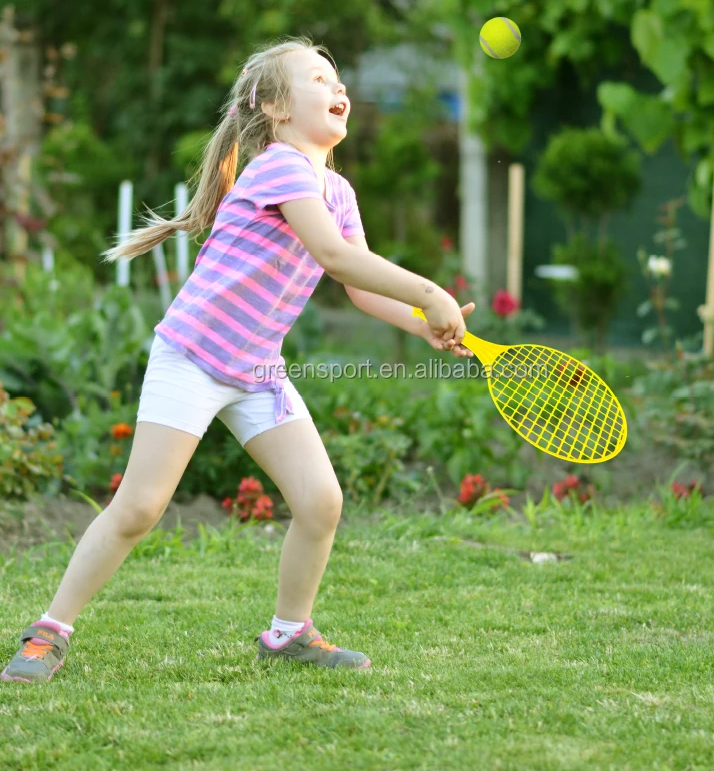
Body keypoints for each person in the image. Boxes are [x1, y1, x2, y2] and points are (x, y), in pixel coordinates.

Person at [2, 36, 475, 682]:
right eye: (318, 78)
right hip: (193, 356)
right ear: (276, 107)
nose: (338, 89)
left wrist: (421, 325)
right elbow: (335, 258)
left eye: (339, 80)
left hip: (256, 370)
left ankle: (289, 634)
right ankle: (47, 632)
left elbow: (359, 289)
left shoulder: (338, 192)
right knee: (140, 508)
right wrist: (429, 292)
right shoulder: (280, 166)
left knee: (320, 502)